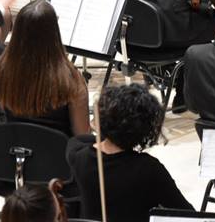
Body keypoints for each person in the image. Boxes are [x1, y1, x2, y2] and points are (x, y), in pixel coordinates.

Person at [66, 85, 193, 222]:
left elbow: (80, 139)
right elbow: (187, 214)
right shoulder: (149, 169)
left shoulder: (77, 154)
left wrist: (105, 131)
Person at [0, 0, 89, 137]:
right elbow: (82, 135)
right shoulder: (71, 79)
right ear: (54, 34)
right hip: (57, 156)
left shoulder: (0, 69)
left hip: (14, 152)